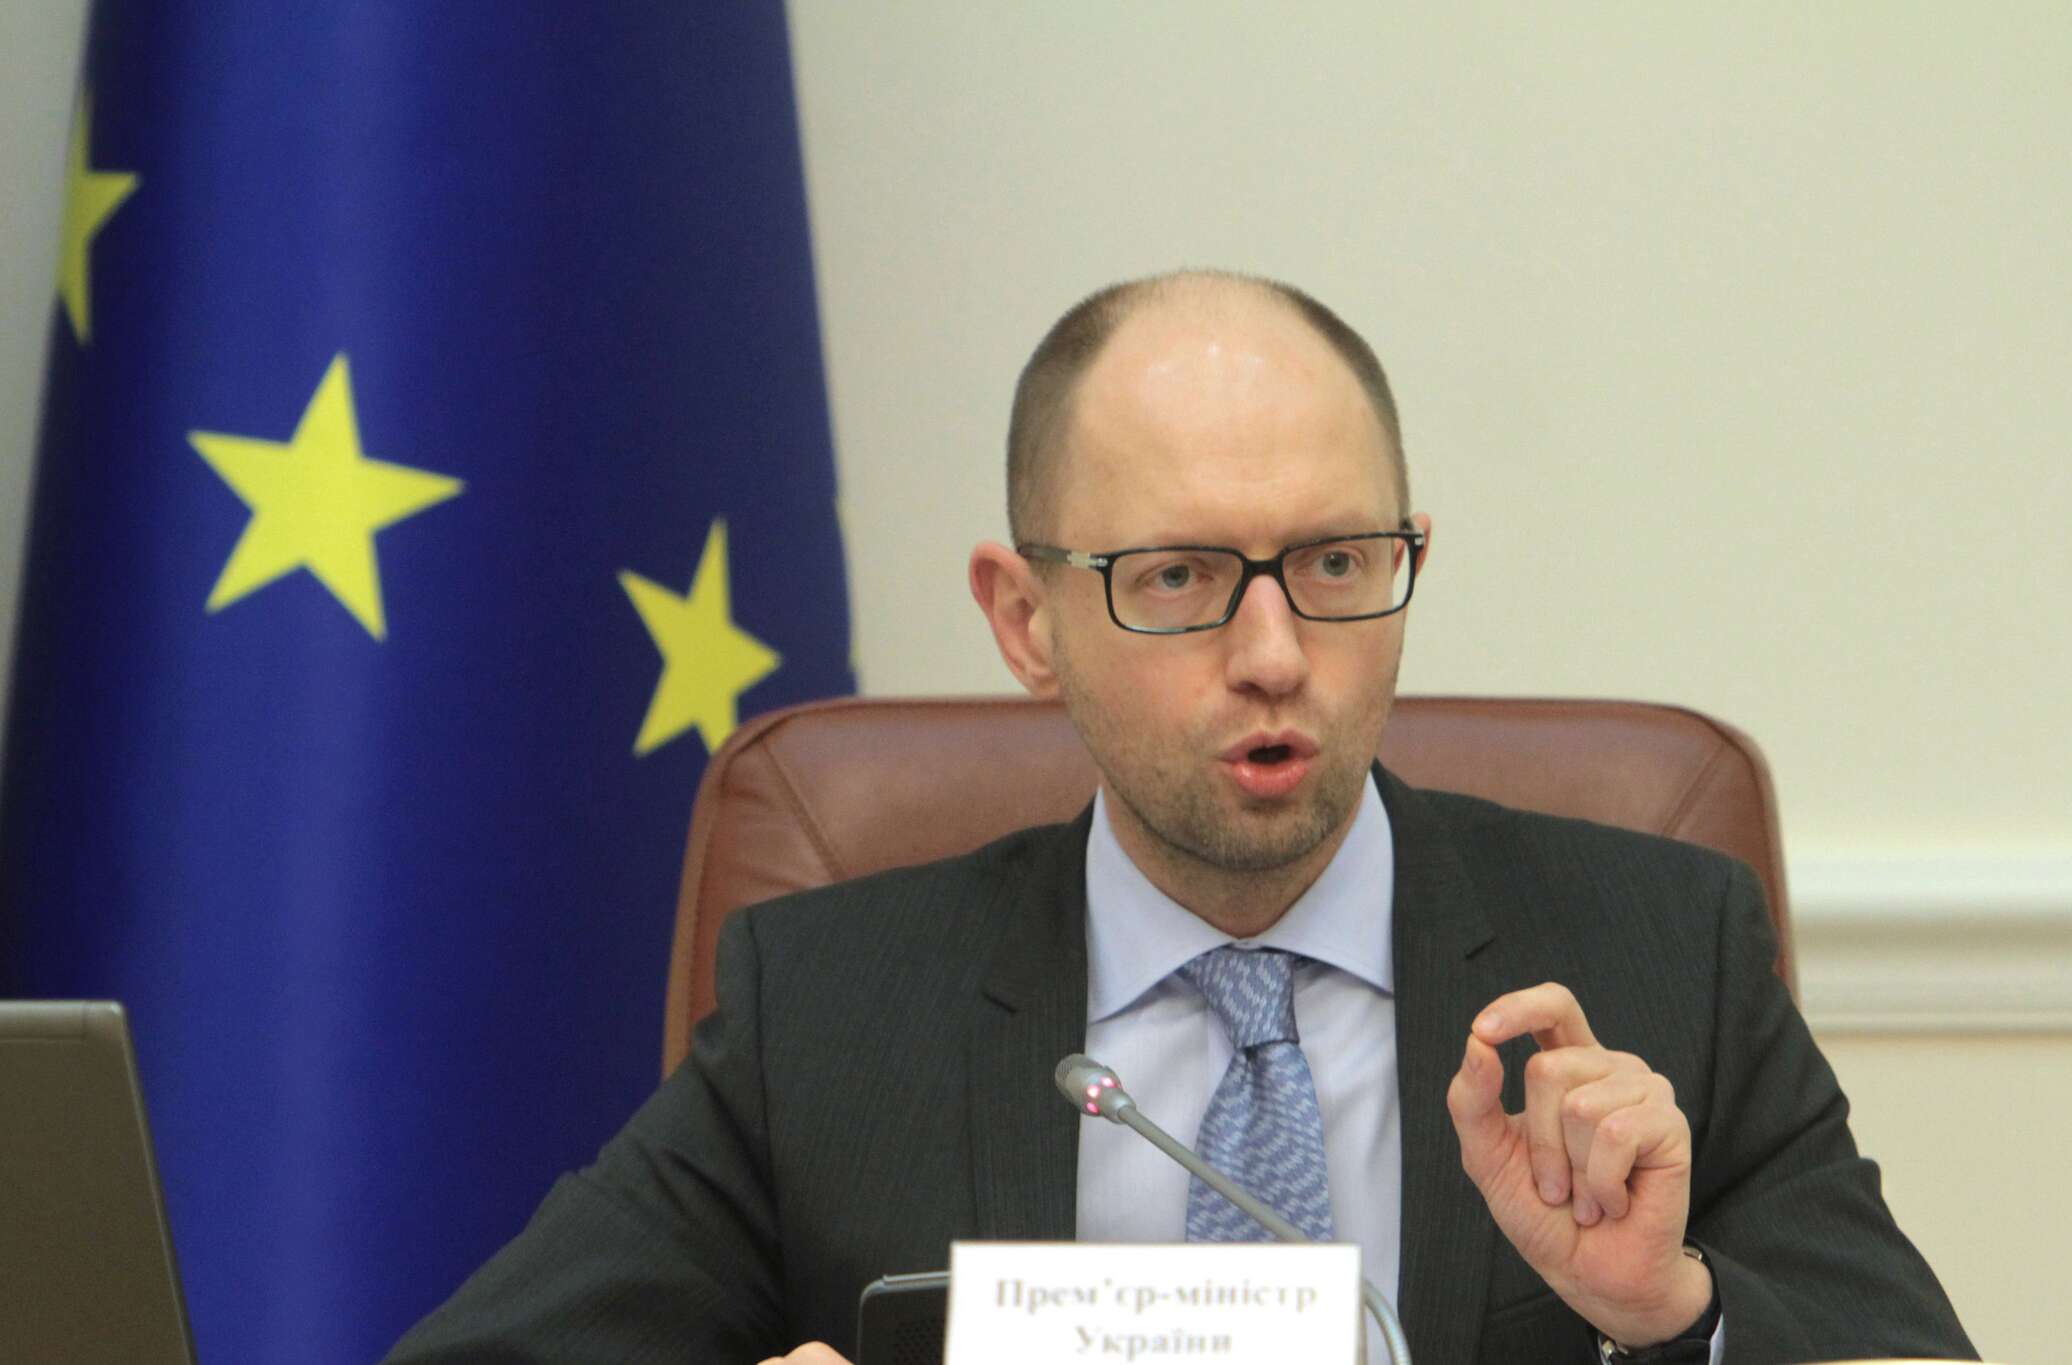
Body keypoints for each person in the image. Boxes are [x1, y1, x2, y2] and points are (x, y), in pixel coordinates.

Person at [385, 271, 1974, 1364]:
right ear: (1024, 618)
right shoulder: (830, 1011)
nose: (1275, 653)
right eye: (1179, 578)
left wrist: (1682, 1320)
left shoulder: (1659, 950)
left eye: (1336, 563)